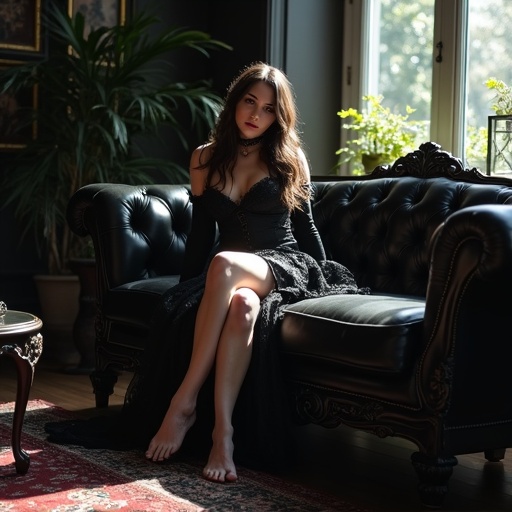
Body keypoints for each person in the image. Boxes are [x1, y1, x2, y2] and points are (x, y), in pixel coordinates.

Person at [45, 61, 366, 482]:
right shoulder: (205, 158)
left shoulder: (290, 157)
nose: (256, 114)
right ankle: (223, 434)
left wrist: (323, 277)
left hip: (285, 263)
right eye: (250, 102)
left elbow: (305, 227)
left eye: (269, 109)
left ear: (279, 116)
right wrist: (184, 292)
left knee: (225, 262)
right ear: (235, 102)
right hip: (230, 278)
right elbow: (200, 233)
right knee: (243, 308)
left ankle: (183, 403)